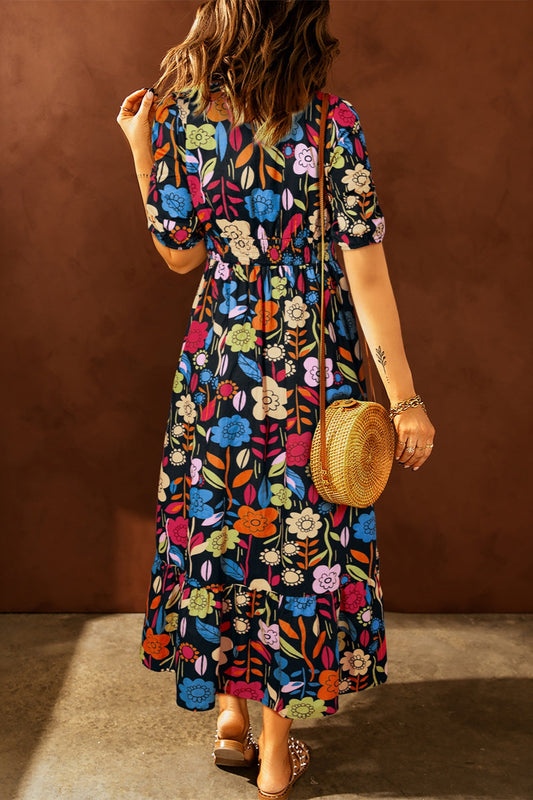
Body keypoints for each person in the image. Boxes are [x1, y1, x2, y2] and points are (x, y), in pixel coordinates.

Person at [117, 1, 435, 797]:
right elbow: (366, 274)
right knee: (297, 548)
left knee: (222, 530)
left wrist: (141, 152)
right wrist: (404, 399)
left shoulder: (185, 120)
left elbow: (179, 255)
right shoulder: (333, 123)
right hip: (309, 371)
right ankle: (270, 753)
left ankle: (229, 712)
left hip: (218, 367)